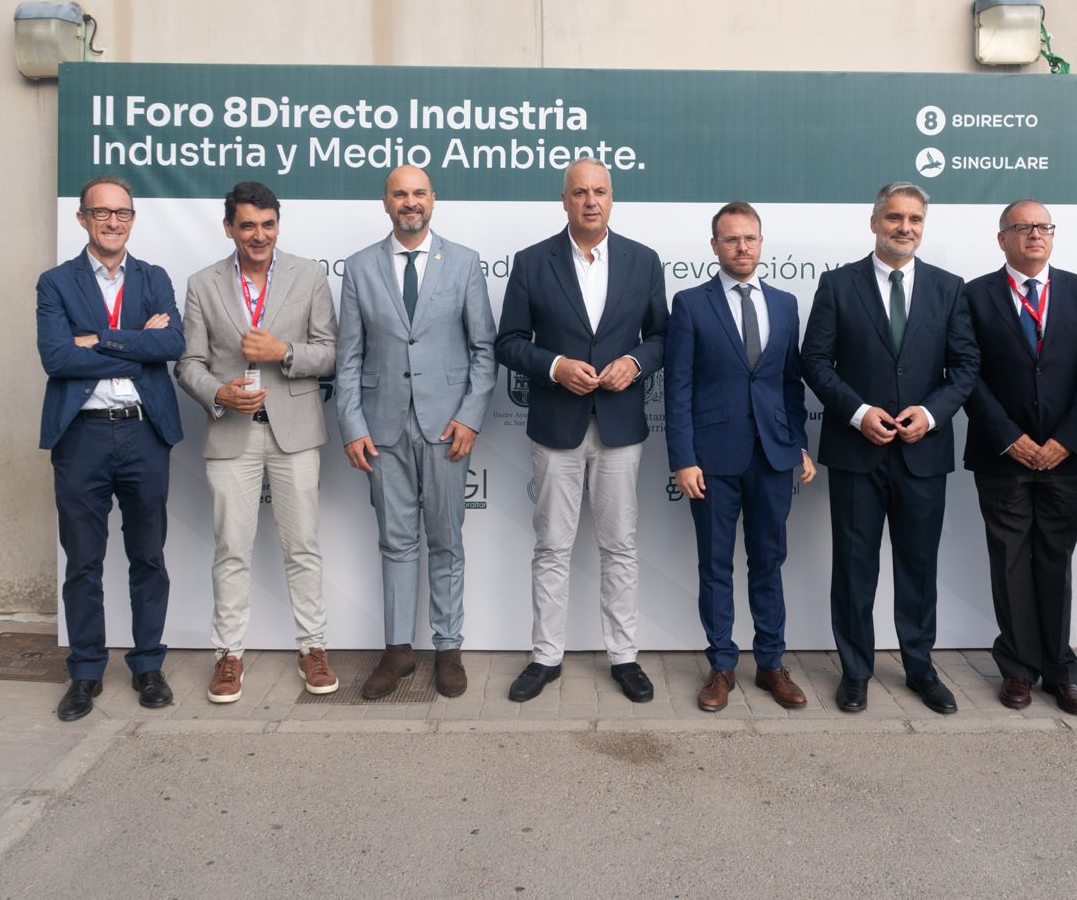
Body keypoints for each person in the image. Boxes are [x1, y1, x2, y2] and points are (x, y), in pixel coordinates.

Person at [801, 181, 978, 714]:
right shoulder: (837, 286)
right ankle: (855, 671)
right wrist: (858, 413)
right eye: (895, 218)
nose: (905, 228)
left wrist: (928, 413)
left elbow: (965, 368)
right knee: (854, 568)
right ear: (875, 222)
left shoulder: (950, 289)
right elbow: (814, 361)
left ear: (923, 225)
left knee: (918, 567)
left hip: (922, 455)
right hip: (858, 453)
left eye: (915, 220)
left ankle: (920, 668)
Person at [495, 157, 668, 704]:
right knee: (552, 546)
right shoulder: (530, 262)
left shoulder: (643, 260)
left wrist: (636, 363)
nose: (590, 201)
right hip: (557, 424)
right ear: (564, 199)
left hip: (620, 425)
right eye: (579, 192)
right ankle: (545, 657)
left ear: (611, 198)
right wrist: (554, 366)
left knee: (620, 545)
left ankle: (624, 656)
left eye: (599, 192)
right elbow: (509, 341)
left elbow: (663, 337)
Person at [336, 165, 497, 700]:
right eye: (400, 194)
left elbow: (483, 350)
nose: (411, 202)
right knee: (396, 541)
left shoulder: (466, 263)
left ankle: (448, 647)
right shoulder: (359, 268)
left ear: (434, 200)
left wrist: (471, 415)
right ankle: (398, 650)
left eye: (419, 193)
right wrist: (353, 424)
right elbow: (349, 356)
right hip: (381, 429)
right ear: (385, 203)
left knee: (447, 541)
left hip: (448, 426)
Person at [175, 181, 340, 704]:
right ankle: (228, 655)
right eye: (247, 225)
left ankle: (312, 647)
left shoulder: (309, 275)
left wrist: (283, 350)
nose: (259, 235)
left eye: (268, 224)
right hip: (230, 431)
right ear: (229, 228)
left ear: (277, 225)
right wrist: (218, 393)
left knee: (304, 547)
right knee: (231, 549)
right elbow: (188, 364)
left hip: (294, 432)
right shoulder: (202, 284)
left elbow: (331, 353)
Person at [36, 175, 183, 721]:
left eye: (122, 212)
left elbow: (171, 344)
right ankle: (86, 673)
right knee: (83, 561)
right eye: (101, 213)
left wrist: (96, 339)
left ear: (132, 218)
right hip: (83, 435)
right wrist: (135, 345)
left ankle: (148, 665)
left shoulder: (154, 277)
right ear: (82, 219)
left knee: (148, 555)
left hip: (144, 432)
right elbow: (57, 359)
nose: (113, 221)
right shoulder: (55, 283)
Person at [665, 201, 817, 712]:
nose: (741, 247)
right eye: (731, 239)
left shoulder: (785, 303)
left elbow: (790, 383)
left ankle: (771, 663)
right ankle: (722, 666)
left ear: (761, 242)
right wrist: (683, 458)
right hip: (711, 459)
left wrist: (798, 443)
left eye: (749, 238)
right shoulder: (690, 304)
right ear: (714, 246)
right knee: (715, 564)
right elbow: (678, 388)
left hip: (773, 456)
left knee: (768, 562)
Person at [961, 199, 1077, 715]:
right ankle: (1019, 669)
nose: (1035, 235)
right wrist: (1009, 437)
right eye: (1022, 228)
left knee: (1056, 561)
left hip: (1065, 457)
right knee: (1010, 563)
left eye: (1043, 227)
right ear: (1003, 238)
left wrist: (1066, 438)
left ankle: (1061, 671)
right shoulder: (974, 295)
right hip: (1003, 456)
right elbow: (966, 372)